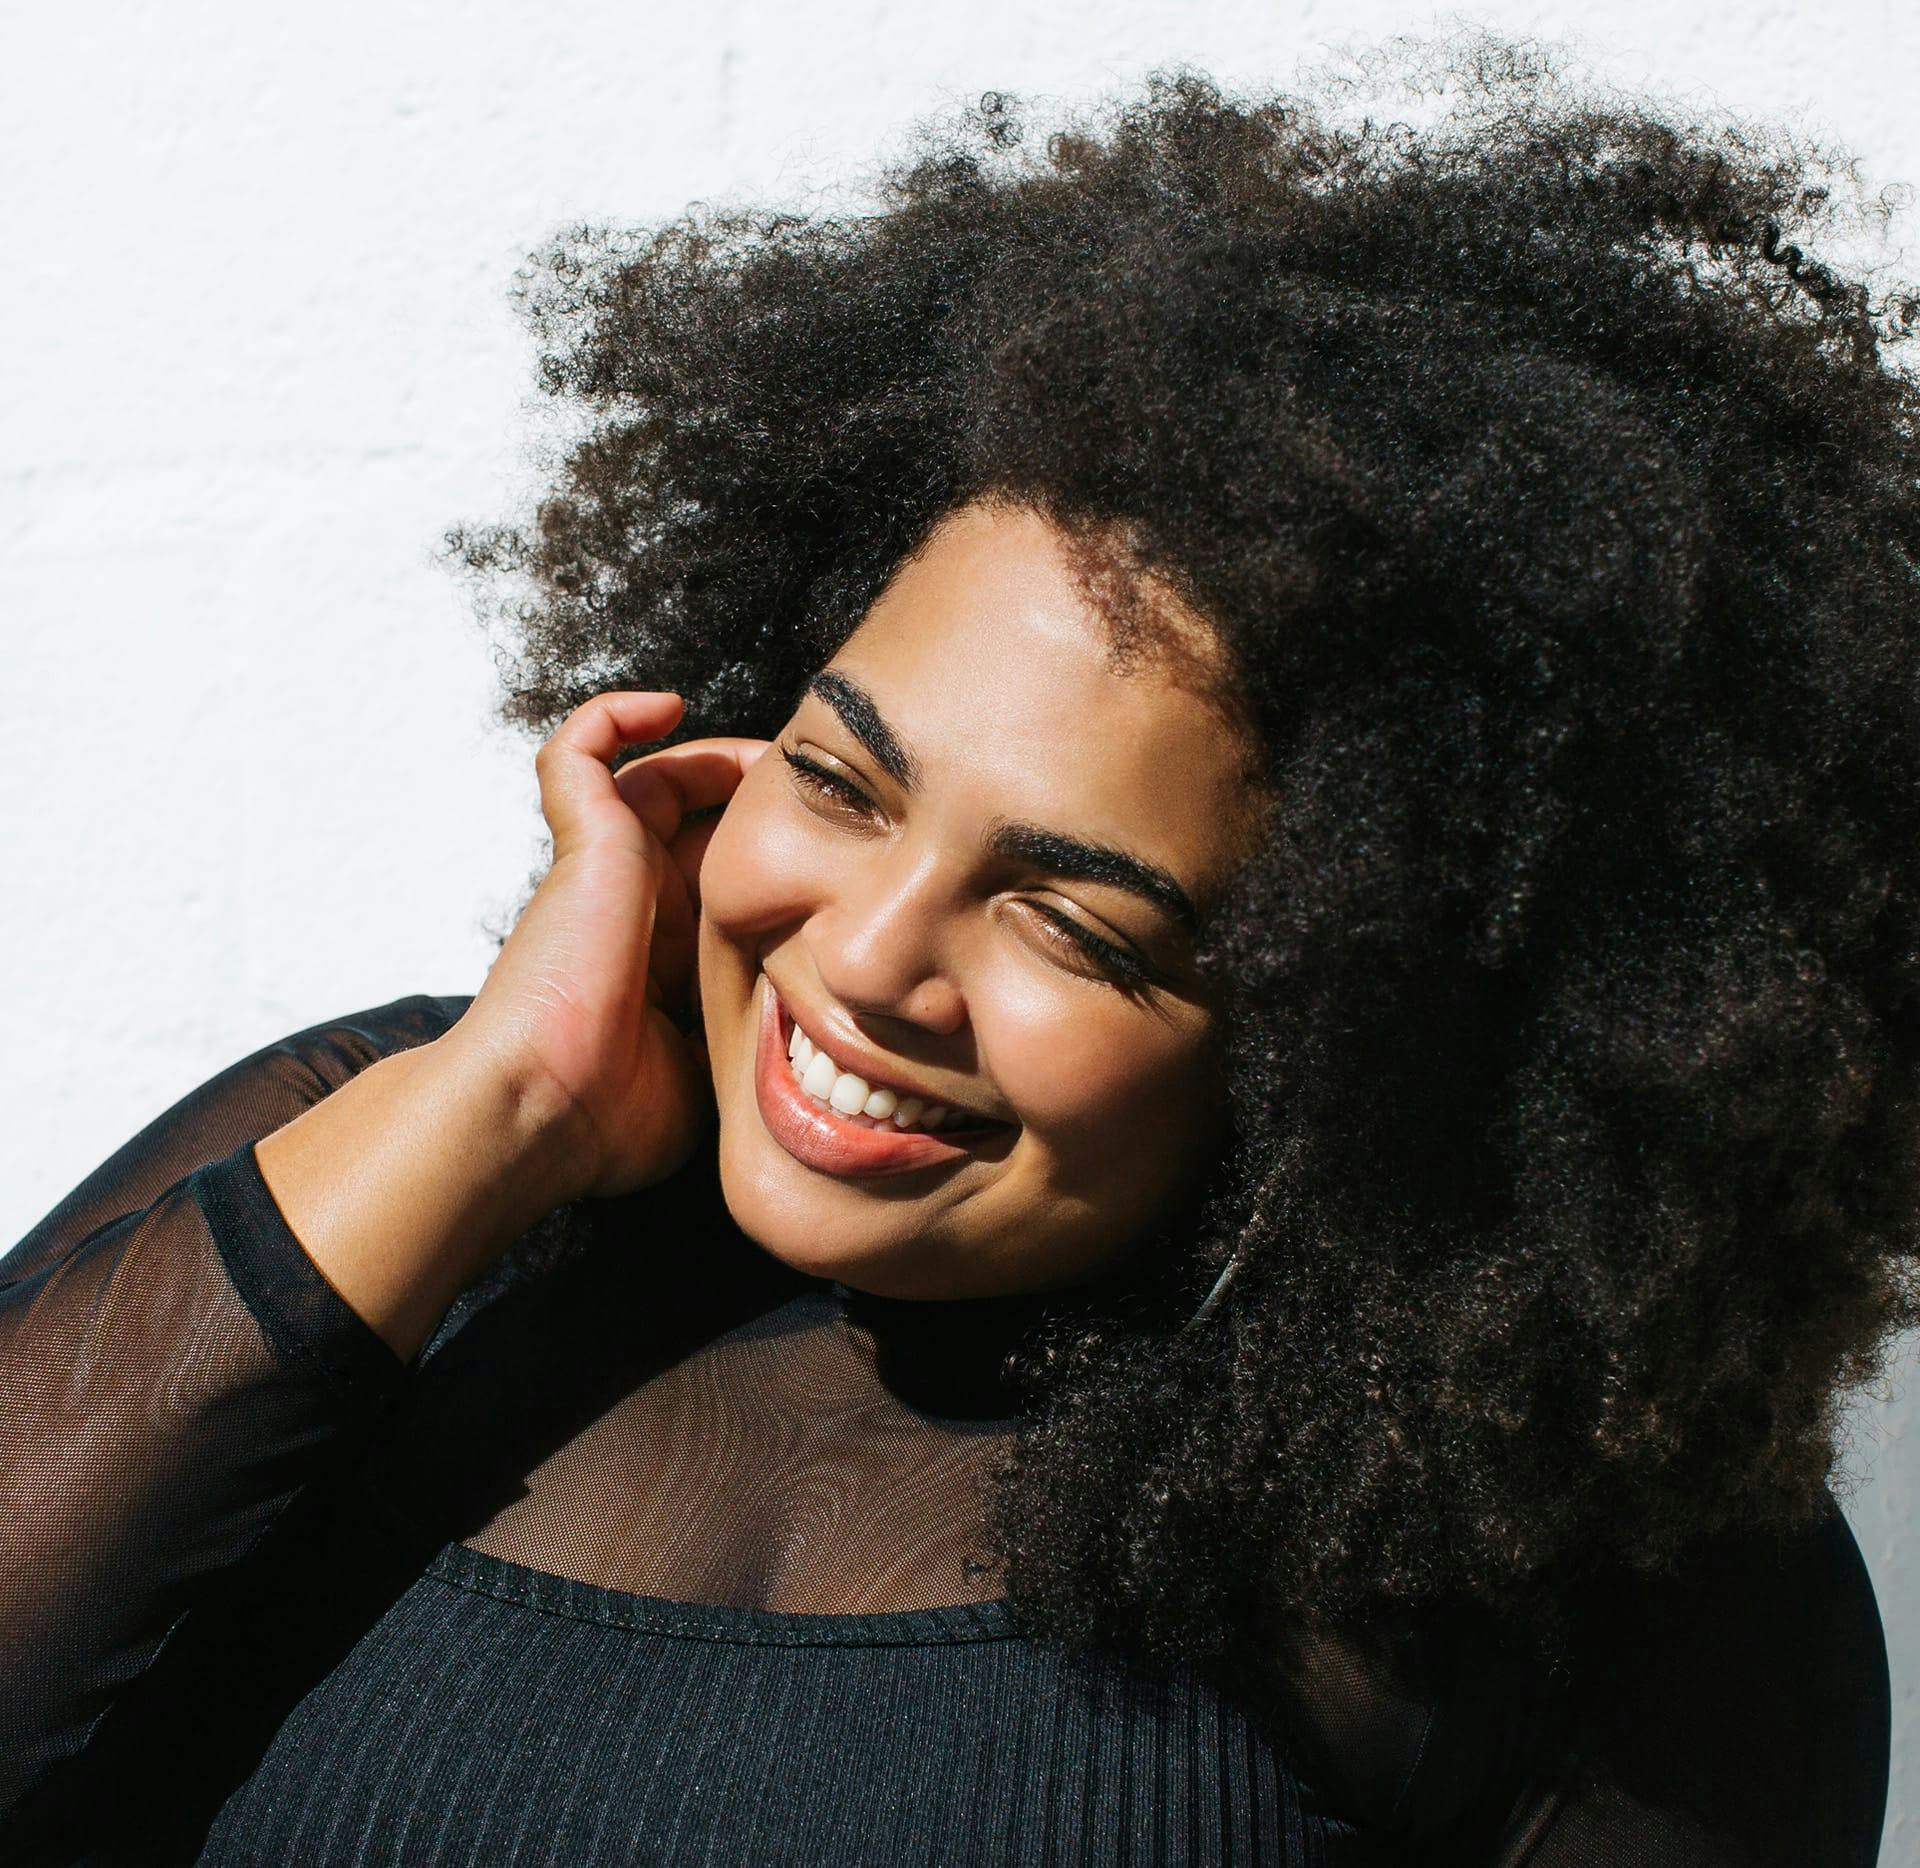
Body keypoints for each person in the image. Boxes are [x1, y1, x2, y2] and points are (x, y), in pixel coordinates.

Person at [1, 28, 1911, 1866]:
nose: (866, 959)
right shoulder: (393, 1155)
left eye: (1074, 920)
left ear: (1363, 1026)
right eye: (841, 780)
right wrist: (502, 1106)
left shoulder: (1559, 1577)